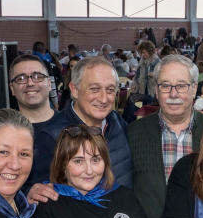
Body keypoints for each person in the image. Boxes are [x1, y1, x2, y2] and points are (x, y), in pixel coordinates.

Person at [34, 126, 159, 218]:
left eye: (95, 160)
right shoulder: (48, 206)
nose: (89, 170)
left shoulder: (124, 196)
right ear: (62, 165)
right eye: (78, 161)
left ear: (105, 162)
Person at [128, 54, 203, 218]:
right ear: (156, 90)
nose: (173, 94)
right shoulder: (133, 134)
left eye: (181, 86)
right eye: (165, 86)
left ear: (194, 88)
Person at [28, 57, 133, 193]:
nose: (103, 98)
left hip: (124, 211)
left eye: (110, 90)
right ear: (74, 90)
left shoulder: (116, 121)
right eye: (94, 89)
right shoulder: (52, 136)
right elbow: (36, 191)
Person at [8, 54, 56, 126]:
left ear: (49, 84)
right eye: (21, 78)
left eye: (38, 77)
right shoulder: (3, 133)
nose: (30, 83)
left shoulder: (73, 126)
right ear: (12, 88)